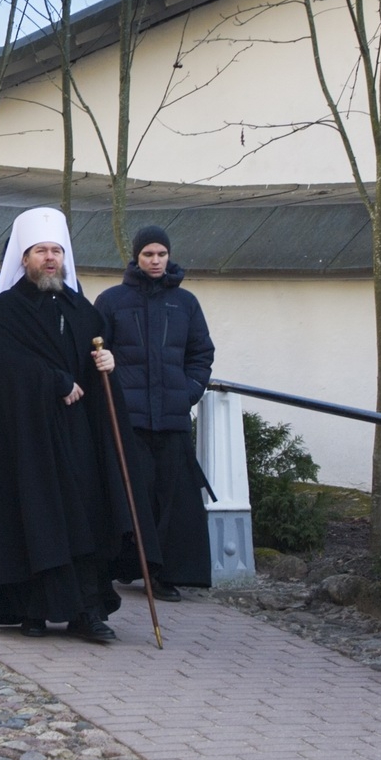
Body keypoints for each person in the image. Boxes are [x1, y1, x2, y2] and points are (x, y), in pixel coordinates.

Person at [0, 208, 153, 643]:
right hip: (30, 436)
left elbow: (98, 361)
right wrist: (53, 380)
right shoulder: (7, 308)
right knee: (35, 518)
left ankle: (87, 612)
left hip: (79, 437)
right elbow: (5, 365)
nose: (50, 258)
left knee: (86, 519)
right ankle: (32, 610)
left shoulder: (83, 310)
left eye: (56, 250)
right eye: (41, 251)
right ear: (24, 258)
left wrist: (106, 364)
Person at [93, 223, 216, 599]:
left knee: (173, 497)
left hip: (172, 416)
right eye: (148, 254)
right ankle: (131, 564)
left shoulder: (186, 303)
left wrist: (190, 392)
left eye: (161, 254)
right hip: (130, 418)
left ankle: (167, 573)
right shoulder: (112, 301)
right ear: (136, 256)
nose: (156, 260)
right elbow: (97, 353)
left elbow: (200, 353)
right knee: (135, 493)